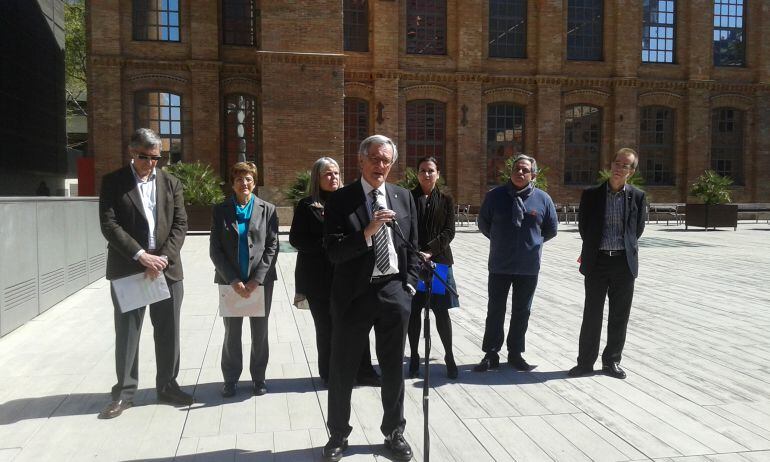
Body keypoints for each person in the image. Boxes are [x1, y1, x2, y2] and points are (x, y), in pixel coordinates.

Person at [321, 135, 419, 462]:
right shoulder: (341, 200)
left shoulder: (403, 197)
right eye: (375, 159)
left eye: (386, 161)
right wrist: (367, 232)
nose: (380, 166)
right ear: (361, 160)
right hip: (354, 295)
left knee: (393, 369)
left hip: (393, 292)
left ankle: (394, 432)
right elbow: (333, 252)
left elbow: (413, 246)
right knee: (343, 369)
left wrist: (409, 285)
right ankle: (338, 434)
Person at [97, 128, 191, 419]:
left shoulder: (171, 183)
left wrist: (162, 258)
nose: (150, 163)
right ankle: (124, 393)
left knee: (168, 331)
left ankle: (167, 386)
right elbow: (109, 224)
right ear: (132, 152)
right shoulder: (113, 182)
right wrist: (141, 256)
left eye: (156, 158)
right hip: (129, 268)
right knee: (128, 333)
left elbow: (180, 224)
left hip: (166, 269)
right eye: (144, 157)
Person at [289, 157, 381, 388]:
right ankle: (330, 374)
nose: (334, 178)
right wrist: (330, 245)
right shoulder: (307, 205)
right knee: (327, 328)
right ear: (317, 178)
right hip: (319, 279)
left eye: (336, 173)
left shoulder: (348, 202)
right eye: (328, 174)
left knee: (358, 324)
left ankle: (364, 372)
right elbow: (297, 240)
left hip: (350, 275)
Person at [568, 148, 647, 380]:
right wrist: (595, 249)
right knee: (592, 314)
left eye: (625, 165)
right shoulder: (591, 194)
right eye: (616, 163)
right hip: (598, 262)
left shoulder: (637, 196)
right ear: (610, 165)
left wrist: (624, 248)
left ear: (631, 171)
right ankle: (585, 363)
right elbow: (584, 227)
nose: (619, 168)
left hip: (624, 263)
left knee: (619, 315)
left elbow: (637, 229)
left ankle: (611, 361)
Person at [474, 154, 558, 373]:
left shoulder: (543, 199)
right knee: (495, 309)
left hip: (528, 266)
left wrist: (532, 243)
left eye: (525, 170)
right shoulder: (495, 196)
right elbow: (483, 223)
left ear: (533, 175)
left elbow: (551, 229)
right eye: (516, 169)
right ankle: (491, 353)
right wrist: (501, 240)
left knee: (522, 311)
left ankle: (515, 353)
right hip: (500, 264)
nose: (520, 172)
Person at [210, 161, 279, 397]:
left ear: (255, 182)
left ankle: (259, 378)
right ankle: (230, 379)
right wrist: (232, 280)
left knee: (260, 332)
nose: (244, 183)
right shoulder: (221, 210)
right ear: (233, 184)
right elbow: (215, 249)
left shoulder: (268, 209)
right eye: (239, 179)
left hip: (260, 283)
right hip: (230, 283)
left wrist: (256, 280)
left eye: (248, 178)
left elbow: (272, 246)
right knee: (232, 332)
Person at [406, 156, 459, 380]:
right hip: (415, 262)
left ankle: (449, 356)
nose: (426, 174)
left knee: (441, 311)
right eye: (422, 170)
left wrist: (430, 251)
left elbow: (449, 231)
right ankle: (414, 356)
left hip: (439, 262)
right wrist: (418, 253)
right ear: (417, 174)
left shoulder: (446, 198)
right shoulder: (408, 197)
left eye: (431, 170)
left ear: (438, 173)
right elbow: (405, 228)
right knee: (414, 311)